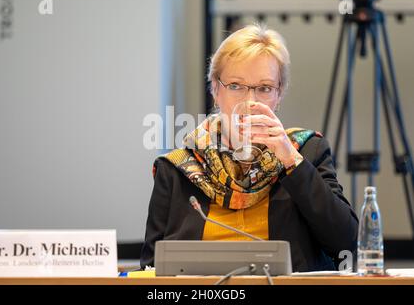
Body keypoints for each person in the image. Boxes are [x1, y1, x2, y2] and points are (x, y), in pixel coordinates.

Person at [140, 24, 358, 272]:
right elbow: (151, 270)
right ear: (215, 90)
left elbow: (347, 246)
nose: (250, 101)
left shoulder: (307, 151)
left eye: (264, 88)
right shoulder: (177, 168)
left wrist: (291, 161)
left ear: (279, 95)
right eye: (235, 85)